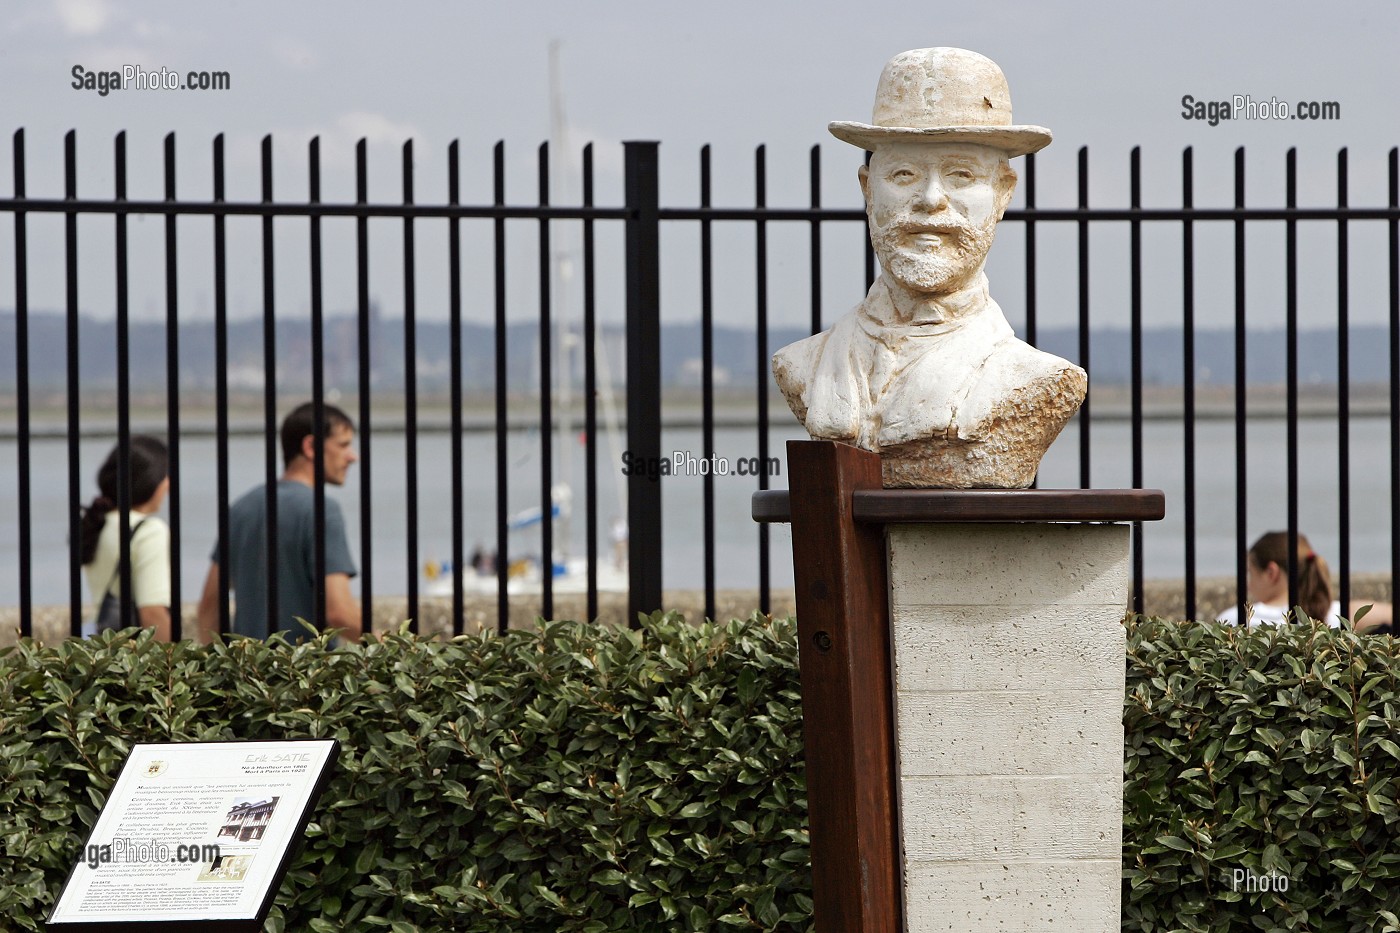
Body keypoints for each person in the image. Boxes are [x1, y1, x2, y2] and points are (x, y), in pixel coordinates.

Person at [772, 48, 1086, 489]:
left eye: (960, 175)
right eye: (903, 174)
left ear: (1003, 193)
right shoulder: (802, 365)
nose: (931, 198)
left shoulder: (1036, 379)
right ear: (868, 190)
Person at [197, 402, 361, 642]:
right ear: (311, 446)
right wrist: (393, 650)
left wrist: (222, 670)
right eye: (343, 445)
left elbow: (210, 605)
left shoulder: (242, 508)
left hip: (249, 674)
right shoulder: (322, 510)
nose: (353, 456)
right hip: (306, 675)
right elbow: (339, 613)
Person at [79, 435, 172, 641]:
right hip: (131, 653)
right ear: (153, 481)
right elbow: (152, 612)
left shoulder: (100, 523)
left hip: (97, 643)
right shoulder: (148, 530)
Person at [1216, 531, 1393, 632]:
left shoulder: (1234, 619)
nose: (1248, 584)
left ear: (1271, 573)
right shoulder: (1339, 614)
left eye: (1251, 573)